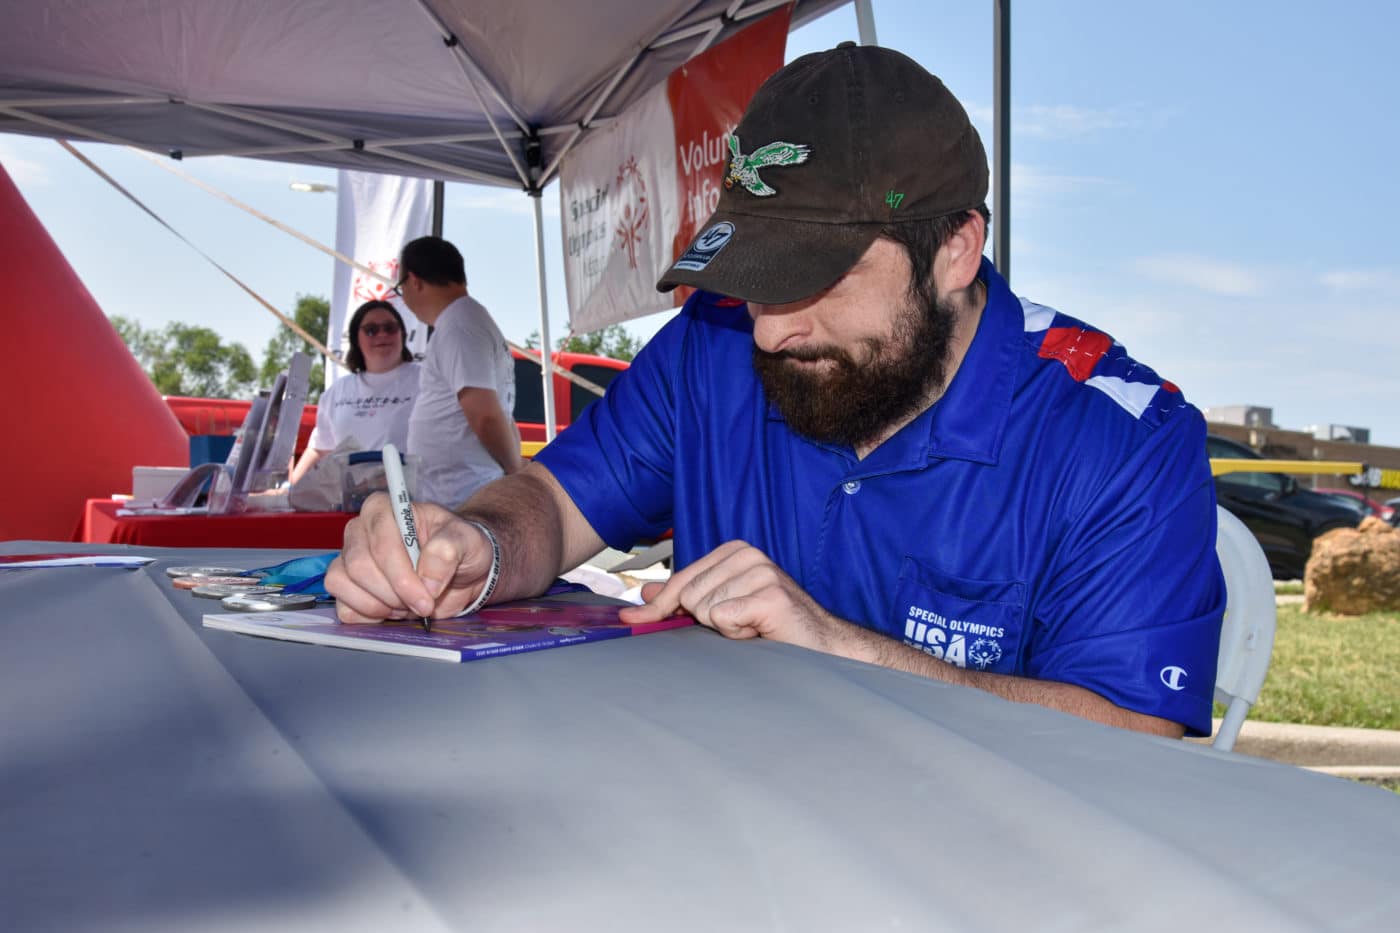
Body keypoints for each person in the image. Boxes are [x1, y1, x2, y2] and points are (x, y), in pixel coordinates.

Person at [327, 45, 1225, 739]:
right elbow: (554, 506)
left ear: (955, 247)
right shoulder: (709, 348)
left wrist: (846, 651)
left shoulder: (1120, 439)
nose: (766, 329)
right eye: (756, 275)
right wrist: (476, 544)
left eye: (814, 278)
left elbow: (1135, 734)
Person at [395, 236, 522, 507]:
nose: (403, 296)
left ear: (414, 281)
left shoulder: (459, 326)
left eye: (400, 287)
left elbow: (485, 414)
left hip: (463, 495)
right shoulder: (465, 320)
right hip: (462, 493)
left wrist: (516, 475)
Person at [289, 299, 419, 485]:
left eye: (390, 328)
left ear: (402, 333)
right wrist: (290, 489)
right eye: (371, 330)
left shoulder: (428, 381)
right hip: (348, 501)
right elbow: (320, 448)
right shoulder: (336, 392)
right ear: (355, 339)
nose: (382, 335)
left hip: (409, 499)